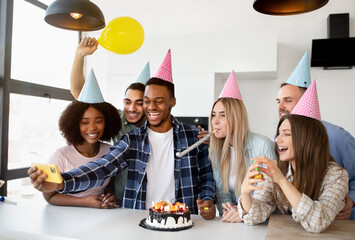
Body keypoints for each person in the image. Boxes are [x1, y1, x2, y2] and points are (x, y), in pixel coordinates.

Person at [28, 50, 216, 220]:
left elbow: (206, 175)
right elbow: (101, 168)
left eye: (158, 101)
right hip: (140, 221)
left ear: (172, 102)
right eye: (147, 101)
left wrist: (207, 199)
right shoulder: (132, 140)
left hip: (182, 221)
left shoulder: (193, 136)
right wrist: (62, 182)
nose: (151, 107)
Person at [239, 80, 349, 233]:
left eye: (287, 134)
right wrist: (245, 193)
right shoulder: (277, 169)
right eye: (279, 134)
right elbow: (255, 217)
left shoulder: (336, 176)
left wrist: (282, 180)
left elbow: (318, 222)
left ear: (307, 139)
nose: (277, 140)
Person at [70, 37, 150, 205]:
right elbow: (80, 93)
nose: (132, 108)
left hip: (152, 202)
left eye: (139, 102)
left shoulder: (158, 127)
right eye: (128, 102)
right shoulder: (117, 119)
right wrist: (79, 56)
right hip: (121, 201)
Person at [276, 52, 355, 220]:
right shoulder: (281, 140)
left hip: (339, 224)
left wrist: (352, 201)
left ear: (306, 100)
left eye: (288, 100)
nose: (280, 107)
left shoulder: (339, 137)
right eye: (278, 101)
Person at [43, 69, 122, 208]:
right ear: (74, 124)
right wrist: (86, 202)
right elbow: (49, 196)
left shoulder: (110, 151)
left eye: (98, 121)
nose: (92, 128)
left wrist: (108, 197)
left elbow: (109, 186)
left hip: (101, 215)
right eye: (84, 122)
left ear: (107, 122)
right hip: (66, 216)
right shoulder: (60, 156)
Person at [209, 71, 276, 223]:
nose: (215, 121)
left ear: (236, 117)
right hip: (236, 225)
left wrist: (243, 212)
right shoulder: (216, 151)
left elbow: (268, 198)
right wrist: (229, 210)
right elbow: (223, 196)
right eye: (213, 115)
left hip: (265, 224)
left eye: (222, 115)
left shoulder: (262, 146)